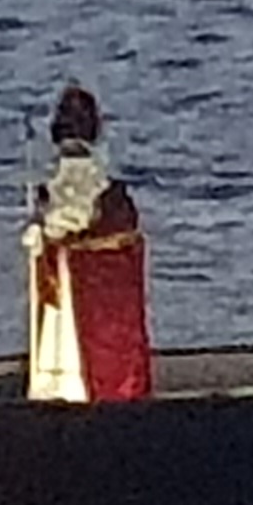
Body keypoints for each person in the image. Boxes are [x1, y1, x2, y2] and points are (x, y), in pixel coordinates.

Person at [24, 84, 152, 402]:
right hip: (71, 274)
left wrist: (45, 231)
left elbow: (69, 217)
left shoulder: (83, 180)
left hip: (79, 275)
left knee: (76, 341)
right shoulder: (86, 180)